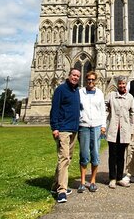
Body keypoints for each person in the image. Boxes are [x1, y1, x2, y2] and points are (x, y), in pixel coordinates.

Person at [50, 68, 81, 203]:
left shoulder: (76, 91)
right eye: (73, 75)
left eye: (77, 76)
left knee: (67, 158)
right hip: (63, 129)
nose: (75, 77)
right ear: (69, 76)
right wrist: (55, 127)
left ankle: (54, 186)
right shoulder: (61, 90)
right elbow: (54, 109)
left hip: (73, 129)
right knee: (64, 158)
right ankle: (62, 190)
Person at [77, 71, 106, 193]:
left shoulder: (99, 93)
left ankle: (93, 181)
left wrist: (103, 126)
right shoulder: (80, 92)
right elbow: (76, 107)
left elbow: (102, 110)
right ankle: (82, 182)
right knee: (84, 154)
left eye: (93, 79)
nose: (90, 81)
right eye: (88, 79)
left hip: (96, 126)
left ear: (96, 81)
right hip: (83, 126)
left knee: (95, 154)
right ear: (86, 80)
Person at [106, 75, 134, 189]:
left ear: (126, 84)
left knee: (121, 155)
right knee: (112, 154)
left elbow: (132, 114)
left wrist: (131, 129)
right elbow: (104, 107)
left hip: (124, 130)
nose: (122, 85)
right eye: (120, 84)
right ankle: (112, 178)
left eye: (123, 83)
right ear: (117, 85)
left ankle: (119, 177)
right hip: (113, 129)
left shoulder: (130, 97)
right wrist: (104, 122)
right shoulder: (111, 95)